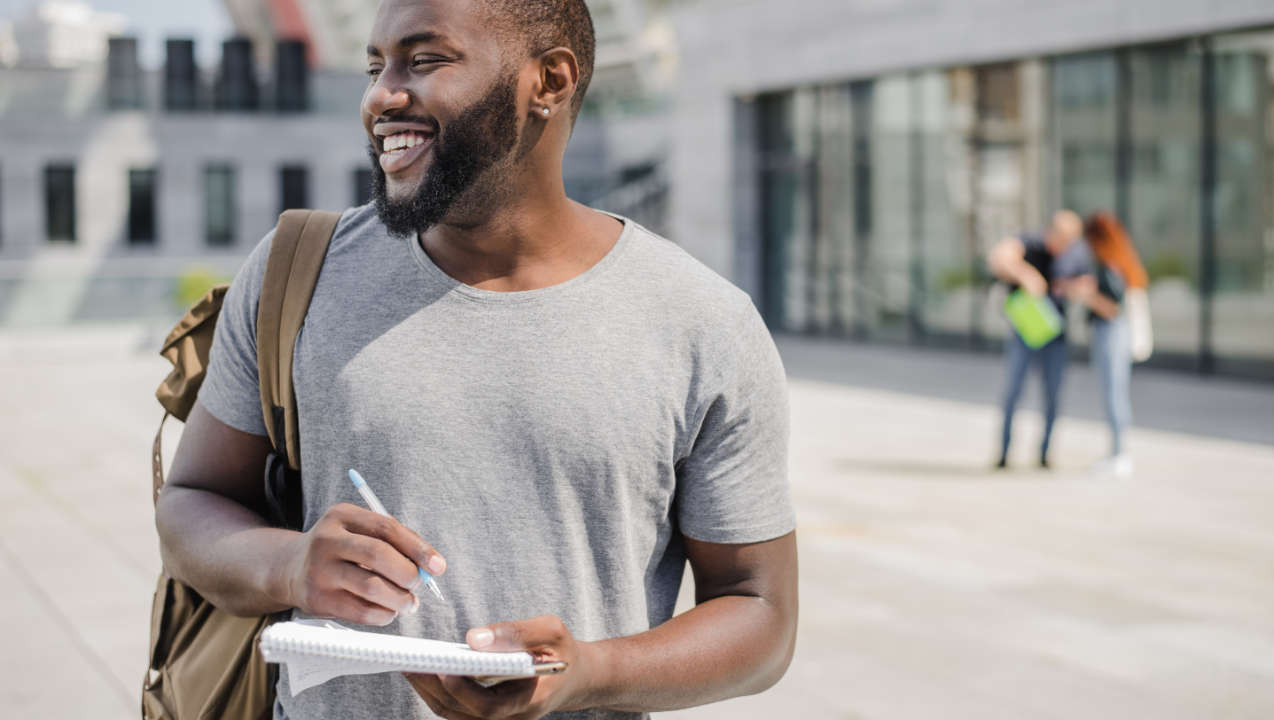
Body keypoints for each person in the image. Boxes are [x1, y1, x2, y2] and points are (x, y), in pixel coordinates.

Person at [154, 2, 798, 719]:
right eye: (375, 67)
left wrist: (587, 672)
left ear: (548, 81)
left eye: (424, 61)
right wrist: (289, 565)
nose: (380, 97)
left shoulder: (704, 323)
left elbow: (760, 615)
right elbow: (190, 503)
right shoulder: (293, 274)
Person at [987, 210, 1092, 469]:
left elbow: (1087, 284)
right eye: (1062, 239)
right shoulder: (1029, 243)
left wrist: (1071, 288)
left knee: (1053, 394)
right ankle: (1004, 451)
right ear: (1052, 232)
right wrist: (1026, 275)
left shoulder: (1075, 254)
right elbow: (999, 258)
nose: (1064, 246)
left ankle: (1045, 453)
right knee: (1013, 391)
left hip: (1054, 335)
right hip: (1024, 331)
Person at [1078, 211, 1152, 477]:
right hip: (1115, 333)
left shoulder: (1109, 265)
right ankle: (1118, 452)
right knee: (1115, 392)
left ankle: (1119, 454)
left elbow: (1113, 308)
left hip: (1111, 333)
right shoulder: (1122, 260)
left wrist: (1086, 295)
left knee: (1114, 394)